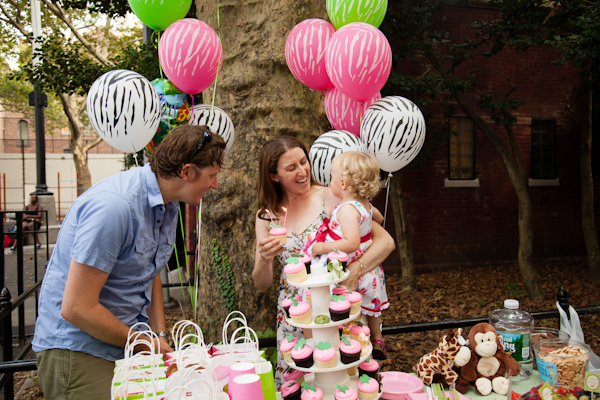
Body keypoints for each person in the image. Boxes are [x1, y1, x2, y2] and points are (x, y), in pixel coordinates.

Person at [32, 125, 226, 400]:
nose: (215, 185)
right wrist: (143, 343)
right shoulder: (115, 207)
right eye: (212, 175)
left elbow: (151, 271)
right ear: (186, 172)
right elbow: (76, 307)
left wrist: (158, 335)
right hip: (79, 350)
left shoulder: (167, 203)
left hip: (124, 343)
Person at [252, 136, 395, 388]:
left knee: (344, 385)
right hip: (296, 318)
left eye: (303, 161)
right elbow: (262, 283)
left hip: (336, 311)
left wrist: (351, 272)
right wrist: (264, 259)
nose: (302, 171)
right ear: (274, 176)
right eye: (291, 167)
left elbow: (385, 241)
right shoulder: (266, 217)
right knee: (305, 389)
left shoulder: (332, 196)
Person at [310, 151, 389, 360]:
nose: (329, 182)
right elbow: (378, 218)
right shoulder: (364, 204)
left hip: (352, 268)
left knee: (349, 310)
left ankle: (352, 343)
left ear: (343, 183)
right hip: (371, 269)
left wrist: (323, 248)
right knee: (372, 309)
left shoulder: (346, 209)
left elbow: (351, 243)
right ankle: (378, 337)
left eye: (331, 177)